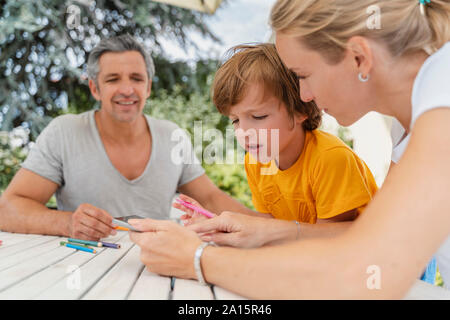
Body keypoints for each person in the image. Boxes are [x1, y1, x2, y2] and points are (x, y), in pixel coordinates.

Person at [129, 0, 450, 299]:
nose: (304, 95)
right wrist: (267, 230)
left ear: (358, 58)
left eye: (302, 75)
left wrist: (197, 258)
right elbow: (379, 245)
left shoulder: (442, 86)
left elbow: (362, 269)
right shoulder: (408, 123)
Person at [0, 34, 260, 241]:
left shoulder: (171, 135)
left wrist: (266, 225)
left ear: (148, 87)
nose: (127, 90)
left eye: (136, 78)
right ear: (95, 88)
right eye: (113, 79)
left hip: (155, 267)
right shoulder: (64, 132)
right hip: (85, 269)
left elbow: (211, 199)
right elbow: (8, 209)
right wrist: (68, 223)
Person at [176, 43, 378, 247]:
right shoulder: (257, 163)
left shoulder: (330, 159)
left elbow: (330, 243)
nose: (243, 132)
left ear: (300, 109)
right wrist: (214, 223)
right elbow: (270, 228)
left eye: (258, 116)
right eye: (235, 120)